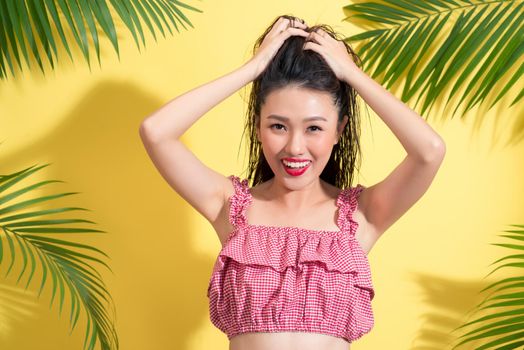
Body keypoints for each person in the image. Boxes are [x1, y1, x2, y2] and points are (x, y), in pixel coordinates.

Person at [139, 14, 446, 350]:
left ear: (339, 129)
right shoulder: (231, 206)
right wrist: (252, 70)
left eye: (314, 128)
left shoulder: (361, 216)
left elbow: (429, 151)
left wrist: (352, 76)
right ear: (258, 126)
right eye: (278, 126)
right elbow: (156, 132)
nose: (294, 148)